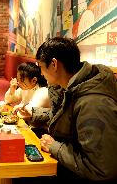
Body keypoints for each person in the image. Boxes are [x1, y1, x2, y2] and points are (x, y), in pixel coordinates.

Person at [36, 37, 117, 183]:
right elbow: (66, 118)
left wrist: (55, 147)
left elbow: (100, 168)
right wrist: (34, 114)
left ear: (54, 64)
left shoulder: (94, 104)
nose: (41, 73)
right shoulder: (70, 86)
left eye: (41, 67)